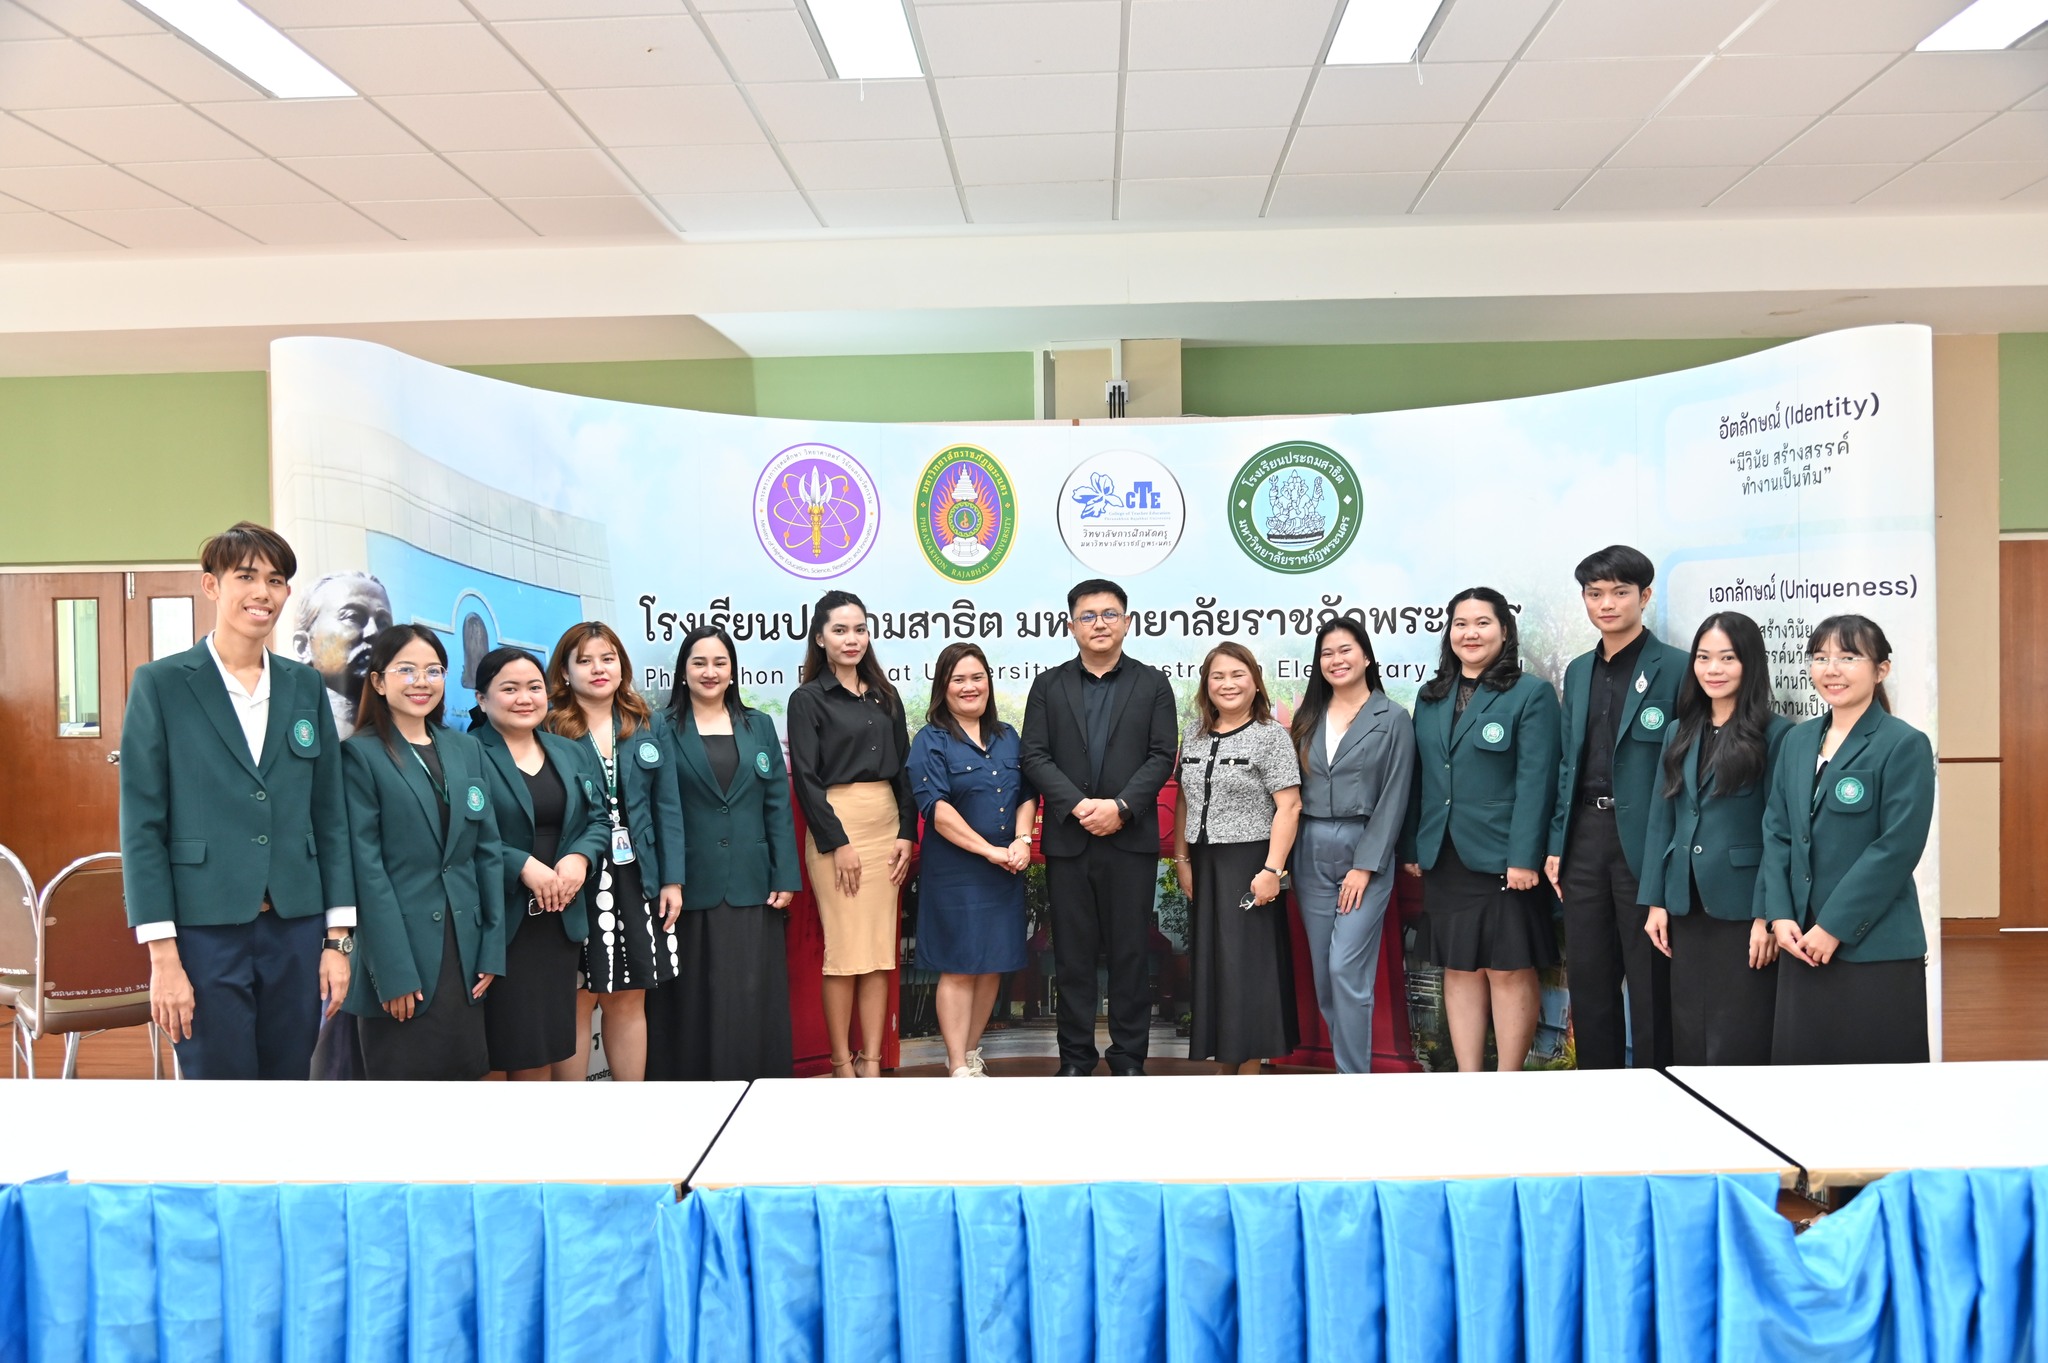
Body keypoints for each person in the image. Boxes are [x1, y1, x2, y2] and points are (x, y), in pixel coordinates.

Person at [119, 522, 355, 1080]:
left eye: (275, 580)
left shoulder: (303, 687)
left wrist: (337, 940)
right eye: (245, 576)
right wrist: (163, 956)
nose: (262, 593)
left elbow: (330, 818)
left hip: (295, 930)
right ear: (211, 586)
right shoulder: (162, 684)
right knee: (218, 1090)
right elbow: (142, 826)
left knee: (287, 1081)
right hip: (204, 931)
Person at [1760, 615, 1935, 1065]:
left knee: (1879, 1091)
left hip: (1870, 946)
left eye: (1848, 657)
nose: (1831, 669)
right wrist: (1779, 915)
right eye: (1820, 658)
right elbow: (1778, 832)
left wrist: (1833, 927)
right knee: (1806, 1085)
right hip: (1800, 942)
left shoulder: (1903, 744)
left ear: (1882, 670)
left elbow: (1895, 848)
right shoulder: (1797, 741)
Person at [1019, 579, 1177, 1077]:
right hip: (1070, 840)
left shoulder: (1153, 683)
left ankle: (1129, 1058)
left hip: (1130, 841)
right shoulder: (1049, 686)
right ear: (1071, 626)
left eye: (1110, 614)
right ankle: (1075, 1059)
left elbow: (1160, 755)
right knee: (1073, 956)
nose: (1100, 623)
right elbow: (1034, 755)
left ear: (1128, 623)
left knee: (1131, 952)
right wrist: (1081, 805)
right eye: (1088, 616)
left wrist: (1122, 806)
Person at [1401, 587, 1561, 1073]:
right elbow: (1419, 777)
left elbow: (1539, 780)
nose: (1470, 633)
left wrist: (1524, 856)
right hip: (1445, 854)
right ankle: (1470, 1079)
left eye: (1482, 623)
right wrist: (1413, 843)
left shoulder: (1530, 693)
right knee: (1458, 965)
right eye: (1460, 624)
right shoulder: (1429, 698)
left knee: (1507, 966)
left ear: (1505, 631)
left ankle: (1506, 1079)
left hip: (1503, 856)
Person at [1545, 544, 1688, 1071]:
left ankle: (1658, 1087)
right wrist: (1557, 843)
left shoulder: (1677, 668)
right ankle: (1597, 1091)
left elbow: (1685, 768)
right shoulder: (1579, 671)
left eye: (1620, 592)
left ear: (1644, 596)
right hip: (1584, 837)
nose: (1606, 603)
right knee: (1589, 976)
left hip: (1644, 841)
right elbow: (1566, 765)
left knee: (1650, 976)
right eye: (1595, 593)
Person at [340, 625, 505, 1081]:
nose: (421, 682)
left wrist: (491, 947)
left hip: (465, 951)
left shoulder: (465, 748)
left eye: (433, 671)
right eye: (406, 670)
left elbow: (486, 850)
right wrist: (392, 971)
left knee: (465, 1082)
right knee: (406, 1101)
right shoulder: (360, 756)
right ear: (378, 681)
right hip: (401, 957)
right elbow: (366, 869)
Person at [647, 626, 802, 1082]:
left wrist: (785, 874)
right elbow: (660, 806)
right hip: (688, 883)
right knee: (692, 997)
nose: (709, 672)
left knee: (750, 992)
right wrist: (668, 877)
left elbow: (777, 804)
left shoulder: (760, 725)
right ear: (683, 672)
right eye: (699, 663)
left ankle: (755, 1089)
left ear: (733, 671)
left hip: (753, 882)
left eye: (719, 662)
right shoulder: (661, 727)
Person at [1638, 613, 1792, 1067]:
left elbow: (1777, 831)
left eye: (1727, 658)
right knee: (1689, 1025)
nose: (1713, 669)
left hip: (1742, 904)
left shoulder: (1776, 734)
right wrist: (1655, 901)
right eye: (1704, 658)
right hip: (1685, 902)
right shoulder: (1678, 730)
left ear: (1750, 664)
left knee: (1739, 1028)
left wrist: (1766, 915)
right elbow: (1660, 821)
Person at [543, 622, 683, 1083]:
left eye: (607, 658)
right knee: (576, 997)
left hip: (637, 876)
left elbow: (669, 806)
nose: (598, 669)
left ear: (622, 665)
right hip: (574, 879)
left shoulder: (647, 722)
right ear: (564, 672)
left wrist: (672, 879)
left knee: (630, 997)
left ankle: (631, 1113)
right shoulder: (548, 724)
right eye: (584, 660)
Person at [787, 591, 917, 1078]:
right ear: (820, 637)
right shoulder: (807, 699)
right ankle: (841, 1061)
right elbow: (806, 778)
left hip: (886, 825)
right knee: (844, 952)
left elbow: (904, 771)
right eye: (840, 630)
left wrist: (907, 832)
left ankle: (873, 1062)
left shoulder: (885, 694)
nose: (851, 639)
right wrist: (837, 842)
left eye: (859, 629)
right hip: (836, 827)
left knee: (879, 952)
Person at [470, 646, 609, 1080]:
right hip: (498, 922)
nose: (524, 698)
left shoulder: (568, 751)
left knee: (541, 1049)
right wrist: (521, 865)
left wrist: (580, 857)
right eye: (508, 689)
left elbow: (599, 818)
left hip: (556, 921)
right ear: (482, 699)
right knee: (496, 1049)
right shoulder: (465, 752)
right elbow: (462, 834)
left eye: (533, 687)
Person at [1286, 618, 1415, 1074]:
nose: (1336, 660)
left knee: (1347, 970)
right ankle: (1349, 1069)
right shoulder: (1306, 718)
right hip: (1310, 848)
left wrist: (1366, 866)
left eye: (1345, 650)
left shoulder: (1393, 717)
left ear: (1366, 656)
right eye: (1326, 653)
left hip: (1364, 851)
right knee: (1324, 976)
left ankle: (1353, 1081)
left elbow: (1396, 795)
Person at [909, 642, 1038, 1079]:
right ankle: (957, 1065)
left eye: (976, 677)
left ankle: (969, 1053)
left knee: (992, 966)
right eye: (958, 679)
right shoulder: (931, 739)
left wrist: (1022, 840)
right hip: (958, 871)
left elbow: (1025, 793)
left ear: (989, 682)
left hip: (1006, 868)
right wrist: (989, 851)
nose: (969, 687)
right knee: (961, 965)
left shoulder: (1008, 736)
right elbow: (936, 810)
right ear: (943, 687)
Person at [1172, 643, 1302, 1074]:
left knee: (1247, 971)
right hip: (1205, 867)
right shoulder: (1192, 733)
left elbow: (1290, 807)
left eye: (1237, 674)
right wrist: (1182, 859)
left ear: (1255, 681)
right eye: (1217, 676)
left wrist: (1272, 871)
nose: (1227, 684)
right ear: (1205, 685)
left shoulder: (1271, 735)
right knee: (1216, 970)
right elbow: (1186, 799)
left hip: (1250, 866)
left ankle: (1247, 1077)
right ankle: (1225, 1071)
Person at [290, 569, 392, 739]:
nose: (374, 632)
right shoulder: (286, 726)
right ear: (303, 646)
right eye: (353, 617)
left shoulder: (405, 731)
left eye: (383, 623)